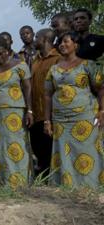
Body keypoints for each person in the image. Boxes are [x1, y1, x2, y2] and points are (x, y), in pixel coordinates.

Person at [44, 32, 104, 188]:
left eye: (66, 41)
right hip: (61, 120)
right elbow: (48, 96)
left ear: (76, 45)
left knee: (88, 151)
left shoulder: (87, 65)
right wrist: (47, 121)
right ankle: (67, 187)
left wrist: (102, 111)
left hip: (85, 116)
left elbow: (100, 88)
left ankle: (92, 187)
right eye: (60, 43)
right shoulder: (53, 69)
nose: (62, 45)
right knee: (64, 153)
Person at [0, 35, 33, 188]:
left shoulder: (20, 66)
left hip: (16, 111)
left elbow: (28, 88)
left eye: (1, 53)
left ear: (7, 50)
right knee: (0, 147)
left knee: (17, 144)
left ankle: (22, 182)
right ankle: (2, 182)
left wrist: (30, 110)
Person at [30, 28, 61, 178]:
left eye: (37, 37)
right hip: (36, 114)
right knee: (40, 153)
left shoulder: (58, 59)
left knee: (52, 151)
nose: (35, 40)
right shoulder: (35, 60)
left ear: (45, 40)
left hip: (52, 115)